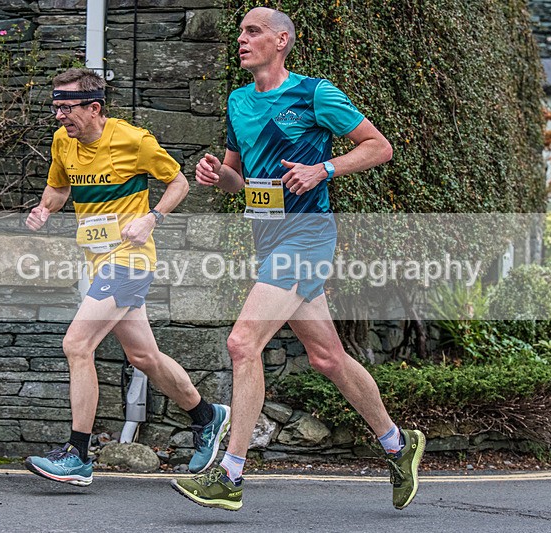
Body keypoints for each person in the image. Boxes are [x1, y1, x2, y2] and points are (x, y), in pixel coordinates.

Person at [171, 8, 425, 511]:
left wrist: (322, 169)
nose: (242, 39)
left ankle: (230, 473)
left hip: (307, 236)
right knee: (327, 358)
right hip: (267, 239)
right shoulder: (238, 101)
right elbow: (237, 180)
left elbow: (379, 147)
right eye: (240, 32)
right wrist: (216, 175)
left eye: (253, 31)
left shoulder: (314, 94)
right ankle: (399, 444)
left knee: (242, 343)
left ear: (282, 39)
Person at [23, 68, 230, 486]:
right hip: (98, 261)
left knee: (77, 344)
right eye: (56, 107)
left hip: (130, 261)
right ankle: (207, 415)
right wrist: (45, 208)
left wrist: (153, 218)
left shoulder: (133, 140)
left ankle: (77, 456)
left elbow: (178, 182)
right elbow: (59, 188)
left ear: (94, 107)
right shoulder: (62, 141)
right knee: (144, 357)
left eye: (66, 108)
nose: (59, 116)